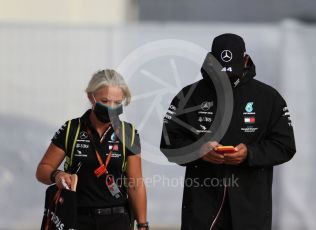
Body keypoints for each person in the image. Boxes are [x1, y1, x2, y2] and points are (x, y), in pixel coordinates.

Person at [160, 34, 296, 230]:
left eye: (231, 73)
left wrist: (250, 153)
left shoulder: (269, 98)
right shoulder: (188, 96)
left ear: (246, 60)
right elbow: (168, 143)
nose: (225, 78)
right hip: (202, 209)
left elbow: (285, 145)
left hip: (251, 210)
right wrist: (199, 151)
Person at [36, 69, 149, 230]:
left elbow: (135, 184)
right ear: (91, 97)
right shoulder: (71, 129)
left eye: (117, 103)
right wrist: (57, 175)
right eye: (105, 100)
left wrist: (143, 225)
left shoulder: (128, 133)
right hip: (76, 218)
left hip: (116, 220)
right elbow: (42, 170)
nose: (111, 107)